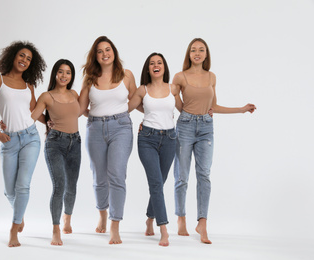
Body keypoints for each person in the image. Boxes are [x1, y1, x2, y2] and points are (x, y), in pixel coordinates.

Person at [173, 38, 256, 244]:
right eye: (193, 50)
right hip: (185, 126)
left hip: (206, 128)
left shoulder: (212, 76)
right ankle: (181, 218)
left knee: (204, 175)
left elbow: (214, 107)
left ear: (206, 54)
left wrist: (241, 109)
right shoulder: (179, 76)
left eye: (201, 50)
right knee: (181, 175)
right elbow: (176, 104)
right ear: (189, 54)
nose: (197, 53)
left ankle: (202, 223)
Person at [0, 41, 46, 247]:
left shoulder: (29, 86)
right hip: (9, 141)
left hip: (30, 138)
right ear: (13, 56)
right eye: (22, 56)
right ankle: (20, 215)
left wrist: (52, 121)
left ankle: (14, 229)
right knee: (9, 191)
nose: (24, 61)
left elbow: (34, 112)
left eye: (29, 59)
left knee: (23, 185)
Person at [79, 36, 137, 244]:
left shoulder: (127, 75)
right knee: (99, 177)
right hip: (95, 128)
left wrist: (155, 115)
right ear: (95, 56)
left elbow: (137, 100)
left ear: (114, 52)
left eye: (108, 49)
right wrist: (51, 118)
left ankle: (115, 224)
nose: (105, 54)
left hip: (121, 127)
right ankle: (102, 213)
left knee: (117, 175)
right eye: (100, 51)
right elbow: (79, 108)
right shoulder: (89, 78)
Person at [128, 53, 182, 246]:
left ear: (164, 67)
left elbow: (185, 109)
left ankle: (150, 218)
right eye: (152, 63)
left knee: (160, 181)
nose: (156, 65)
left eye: (159, 62)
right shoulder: (142, 90)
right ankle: (164, 229)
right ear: (148, 69)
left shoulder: (173, 88)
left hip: (170, 139)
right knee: (156, 184)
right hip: (147, 139)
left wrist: (206, 109)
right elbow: (125, 108)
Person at [31, 59, 81, 246]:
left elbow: (82, 111)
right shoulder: (46, 96)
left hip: (75, 142)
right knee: (59, 185)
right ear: (55, 74)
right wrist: (47, 121)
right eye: (60, 72)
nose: (64, 75)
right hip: (55, 144)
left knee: (72, 186)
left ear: (71, 76)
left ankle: (68, 217)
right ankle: (56, 228)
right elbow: (33, 116)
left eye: (68, 72)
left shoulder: (75, 94)